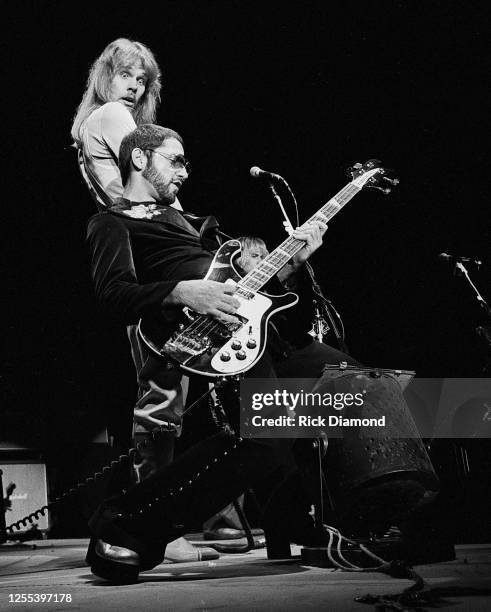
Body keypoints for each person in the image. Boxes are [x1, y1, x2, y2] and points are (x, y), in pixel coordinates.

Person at [84, 123, 369, 583]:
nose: (184, 171)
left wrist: (293, 267)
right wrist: (182, 291)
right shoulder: (113, 222)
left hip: (265, 334)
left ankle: (336, 522)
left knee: (357, 386)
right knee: (264, 443)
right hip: (209, 337)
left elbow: (256, 289)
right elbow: (112, 294)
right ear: (140, 159)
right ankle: (123, 526)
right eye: (175, 160)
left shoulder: (202, 226)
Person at [72, 39, 213, 562]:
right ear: (105, 78)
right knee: (162, 399)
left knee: (178, 396)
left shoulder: (94, 124)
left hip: (152, 257)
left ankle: (207, 516)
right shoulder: (112, 117)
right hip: (150, 264)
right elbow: (137, 187)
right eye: (125, 75)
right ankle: (161, 526)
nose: (134, 87)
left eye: (142, 80)